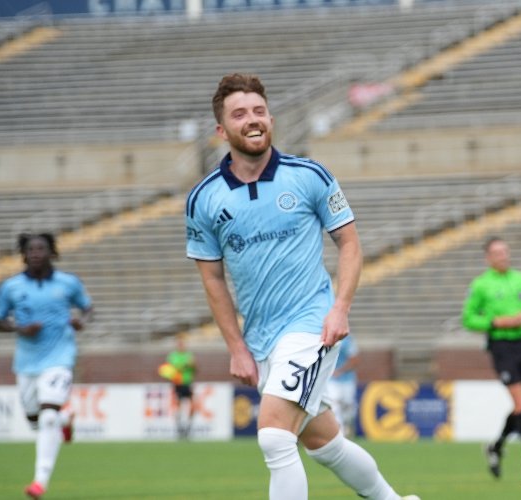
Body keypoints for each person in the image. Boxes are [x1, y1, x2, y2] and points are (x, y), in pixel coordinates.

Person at [186, 73, 415, 500]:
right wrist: (236, 347)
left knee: (274, 436)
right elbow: (211, 277)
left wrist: (340, 308)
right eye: (239, 114)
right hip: (261, 339)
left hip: (311, 325)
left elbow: (349, 243)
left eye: (259, 111)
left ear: (271, 119)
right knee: (325, 444)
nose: (252, 120)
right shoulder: (204, 198)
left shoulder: (309, 175)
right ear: (221, 130)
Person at [0, 232, 93, 500]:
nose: (35, 253)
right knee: (36, 421)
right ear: (23, 255)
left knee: (47, 417)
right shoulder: (11, 287)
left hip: (60, 358)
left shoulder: (68, 283)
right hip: (26, 363)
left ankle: (39, 482)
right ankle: (65, 420)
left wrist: (82, 321)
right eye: (31, 249)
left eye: (41, 248)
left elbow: (88, 308)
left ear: (52, 253)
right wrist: (19, 328)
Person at [461, 236, 521, 479]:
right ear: (488, 257)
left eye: (505, 251)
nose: (503, 256)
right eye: (497, 253)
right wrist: (495, 322)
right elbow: (468, 318)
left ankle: (495, 447)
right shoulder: (481, 285)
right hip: (501, 346)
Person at [325, 334, 360, 437]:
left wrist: (340, 370)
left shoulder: (348, 340)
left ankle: (348, 425)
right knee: (335, 404)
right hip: (332, 380)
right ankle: (340, 432)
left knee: (348, 405)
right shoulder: (325, 337)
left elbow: (355, 360)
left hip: (347, 379)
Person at [166, 334, 198, 439]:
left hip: (187, 382)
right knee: (178, 405)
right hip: (177, 384)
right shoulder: (173, 356)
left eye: (182, 343)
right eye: (179, 343)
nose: (181, 345)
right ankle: (179, 427)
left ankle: (188, 426)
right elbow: (169, 370)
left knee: (192, 405)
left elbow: (195, 368)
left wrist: (192, 365)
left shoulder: (189, 355)